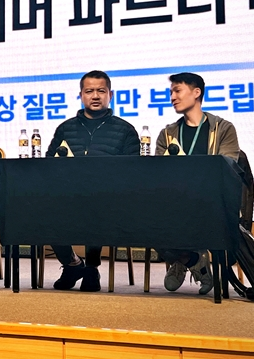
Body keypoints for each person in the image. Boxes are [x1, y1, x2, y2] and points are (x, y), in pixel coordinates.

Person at [45, 70, 139, 292]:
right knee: (41, 208)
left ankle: (91, 268)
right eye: (89, 91)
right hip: (68, 194)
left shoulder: (125, 130)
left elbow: (134, 170)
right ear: (81, 95)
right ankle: (72, 264)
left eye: (101, 91)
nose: (95, 96)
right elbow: (49, 163)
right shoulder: (65, 128)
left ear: (110, 95)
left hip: (108, 197)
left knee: (96, 205)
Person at [155, 72, 240, 296]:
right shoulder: (167, 134)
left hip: (211, 201)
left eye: (177, 91)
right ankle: (191, 260)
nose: (172, 97)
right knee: (144, 220)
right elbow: (158, 173)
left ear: (196, 92)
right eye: (171, 92)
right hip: (175, 201)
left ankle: (183, 258)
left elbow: (227, 167)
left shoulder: (222, 129)